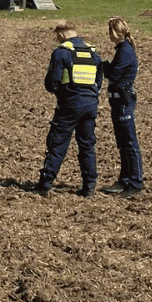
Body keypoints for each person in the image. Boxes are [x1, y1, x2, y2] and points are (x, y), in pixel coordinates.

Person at [36, 22, 102, 196]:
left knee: (57, 144)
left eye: (57, 36)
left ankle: (45, 183)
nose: (57, 39)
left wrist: (61, 93)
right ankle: (89, 186)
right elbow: (99, 80)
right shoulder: (93, 53)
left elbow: (52, 82)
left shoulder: (61, 52)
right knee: (87, 146)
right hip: (90, 105)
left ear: (62, 34)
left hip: (69, 105)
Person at [101, 16, 145, 197]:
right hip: (119, 101)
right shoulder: (123, 49)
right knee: (123, 143)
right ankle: (125, 179)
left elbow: (114, 75)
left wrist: (103, 66)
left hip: (123, 102)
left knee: (129, 143)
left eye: (110, 30)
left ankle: (135, 182)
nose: (108, 34)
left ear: (116, 32)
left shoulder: (124, 51)